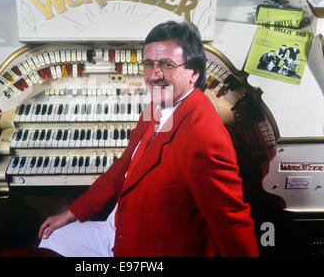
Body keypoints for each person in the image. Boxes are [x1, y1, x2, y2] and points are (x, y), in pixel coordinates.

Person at [38, 21, 259, 257]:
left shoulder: (204, 136)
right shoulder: (155, 108)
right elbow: (122, 168)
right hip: (116, 231)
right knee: (53, 240)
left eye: (167, 65)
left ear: (194, 73)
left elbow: (230, 222)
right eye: (149, 64)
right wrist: (71, 213)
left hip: (150, 250)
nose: (155, 75)